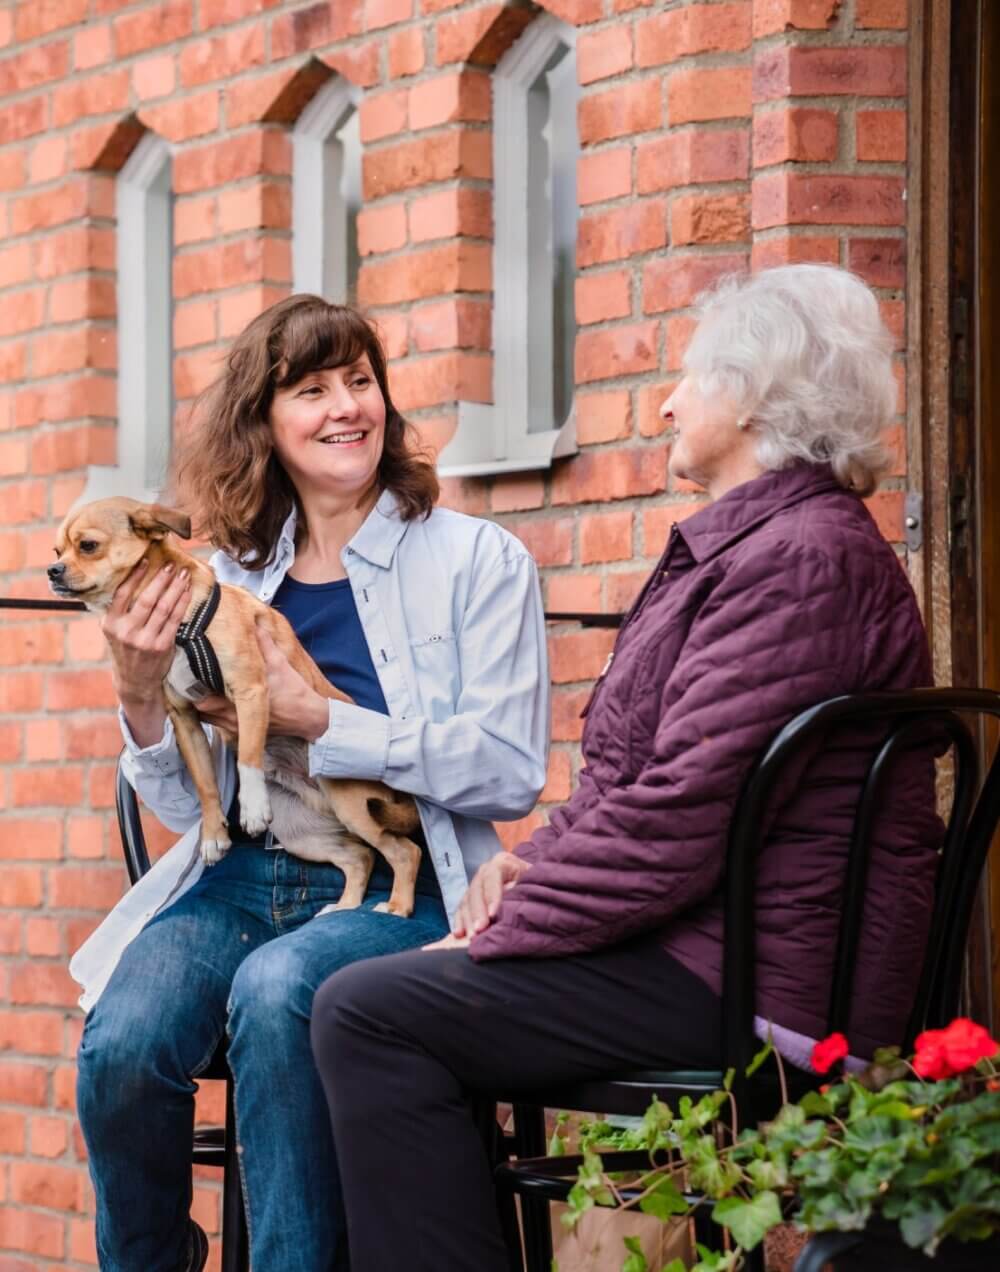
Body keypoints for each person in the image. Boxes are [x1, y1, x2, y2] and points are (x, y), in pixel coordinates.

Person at [309, 264, 943, 1271]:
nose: (666, 400)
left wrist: (510, 929)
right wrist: (523, 870)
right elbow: (635, 784)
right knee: (378, 995)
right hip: (706, 945)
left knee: (370, 1011)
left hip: (760, 982)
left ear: (750, 398)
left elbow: (682, 811)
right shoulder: (762, 547)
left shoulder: (797, 561)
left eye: (689, 377)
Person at [70, 295, 550, 1272]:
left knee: (279, 989)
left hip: (398, 882)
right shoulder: (225, 577)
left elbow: (508, 771)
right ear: (265, 424)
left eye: (360, 381)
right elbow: (178, 806)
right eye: (311, 389)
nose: (345, 407)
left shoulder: (475, 561)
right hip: (243, 878)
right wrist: (137, 692)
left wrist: (324, 720)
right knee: (122, 1041)